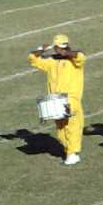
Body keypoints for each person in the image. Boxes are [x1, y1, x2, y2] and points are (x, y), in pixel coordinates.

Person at [29, 34, 85, 165]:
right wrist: (41, 49)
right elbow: (32, 58)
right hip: (55, 100)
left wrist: (65, 52)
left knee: (72, 126)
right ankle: (69, 151)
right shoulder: (51, 61)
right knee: (61, 129)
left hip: (71, 98)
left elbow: (80, 56)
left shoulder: (75, 59)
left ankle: (73, 153)